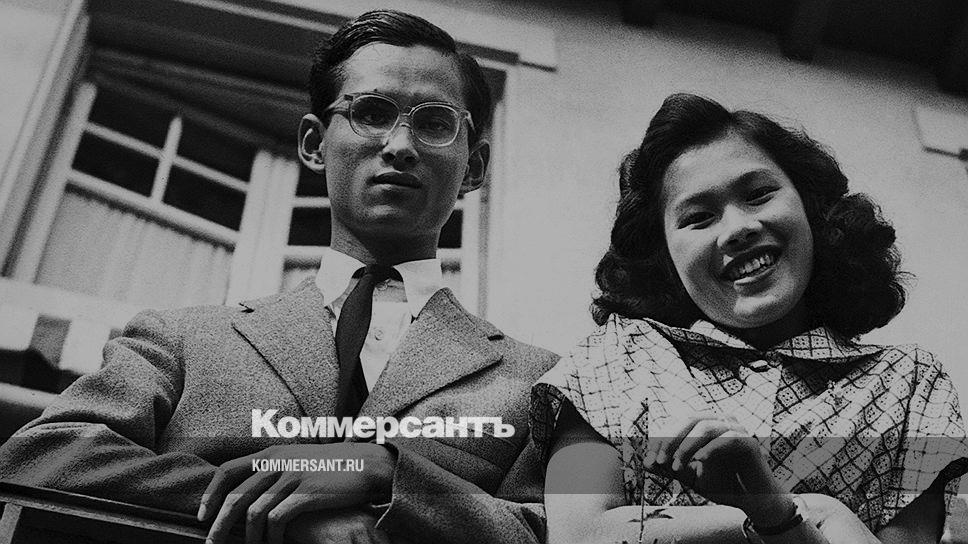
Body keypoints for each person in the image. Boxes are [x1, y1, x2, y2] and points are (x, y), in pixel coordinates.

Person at [0, 10, 557, 544]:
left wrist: (386, 472)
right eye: (372, 113)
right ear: (315, 144)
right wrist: (274, 510)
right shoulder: (183, 339)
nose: (400, 146)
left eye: (435, 123)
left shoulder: (538, 382)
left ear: (473, 166)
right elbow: (40, 455)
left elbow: (562, 532)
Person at [531, 93, 968, 544]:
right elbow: (580, 534)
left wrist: (771, 507)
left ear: (812, 210)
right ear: (665, 256)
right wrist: (814, 515)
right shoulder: (613, 359)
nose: (738, 228)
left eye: (758, 195)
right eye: (699, 217)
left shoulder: (910, 384)